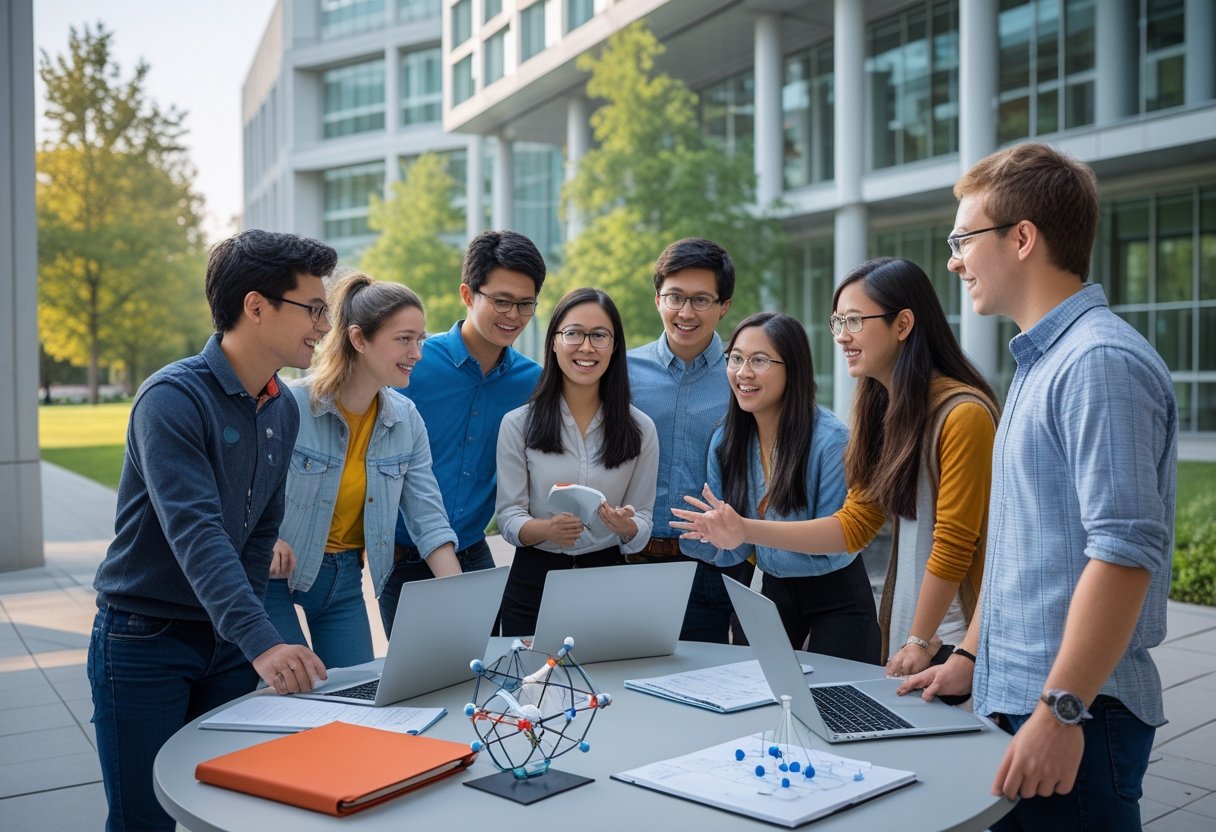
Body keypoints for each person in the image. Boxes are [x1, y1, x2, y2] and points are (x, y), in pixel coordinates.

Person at [899, 143, 1177, 831]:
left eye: (963, 238)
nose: (954, 260)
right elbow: (1025, 543)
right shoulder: (1041, 363)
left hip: (1077, 713)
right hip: (1024, 697)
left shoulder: (1098, 362)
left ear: (1022, 238)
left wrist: (1061, 709)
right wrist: (968, 656)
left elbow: (1123, 553)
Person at [88, 229, 337, 831]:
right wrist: (263, 639)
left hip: (223, 641)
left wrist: (244, 633)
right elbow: (197, 534)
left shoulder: (279, 404)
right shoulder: (171, 399)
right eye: (314, 309)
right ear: (256, 306)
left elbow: (258, 533)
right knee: (143, 821)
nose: (324, 326)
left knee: (229, 811)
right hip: (144, 639)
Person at [674, 257, 999, 676]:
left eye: (855, 321)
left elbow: (954, 543)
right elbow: (857, 523)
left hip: (954, 636)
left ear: (902, 325)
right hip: (912, 627)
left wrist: (920, 639)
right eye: (837, 322)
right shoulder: (884, 412)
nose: (842, 336)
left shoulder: (962, 414)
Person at [264, 272, 461, 667]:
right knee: (293, 689)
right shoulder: (291, 405)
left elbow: (428, 518)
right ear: (358, 339)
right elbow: (245, 491)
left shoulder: (406, 420)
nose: (417, 352)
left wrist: (459, 598)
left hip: (343, 579)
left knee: (355, 699)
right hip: (274, 578)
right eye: (404, 339)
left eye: (420, 339)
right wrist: (262, 538)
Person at [378, 230, 546, 636]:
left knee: (482, 683)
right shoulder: (412, 364)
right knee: (416, 688)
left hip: (472, 554)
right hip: (402, 559)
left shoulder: (533, 382)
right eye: (501, 301)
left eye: (525, 304)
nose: (513, 315)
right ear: (468, 295)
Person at [691, 311, 881, 661]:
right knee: (757, 697)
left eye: (759, 361)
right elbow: (734, 549)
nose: (743, 372)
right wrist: (714, 534)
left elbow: (835, 543)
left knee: (837, 705)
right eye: (735, 359)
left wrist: (745, 529)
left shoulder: (831, 441)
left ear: (792, 367)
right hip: (772, 589)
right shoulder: (725, 441)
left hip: (836, 594)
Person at [496, 288, 660, 636]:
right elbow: (509, 515)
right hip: (533, 581)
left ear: (615, 346)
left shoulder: (641, 429)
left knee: (604, 689)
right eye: (573, 334)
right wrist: (545, 529)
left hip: (606, 581)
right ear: (554, 341)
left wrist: (626, 527)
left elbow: (643, 517)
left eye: (599, 336)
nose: (586, 347)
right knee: (529, 687)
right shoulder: (517, 424)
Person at [627, 237, 753, 644]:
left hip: (714, 568)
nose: (685, 312)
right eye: (675, 297)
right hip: (631, 561)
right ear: (657, 298)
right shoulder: (623, 372)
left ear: (724, 306)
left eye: (701, 300)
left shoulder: (745, 376)